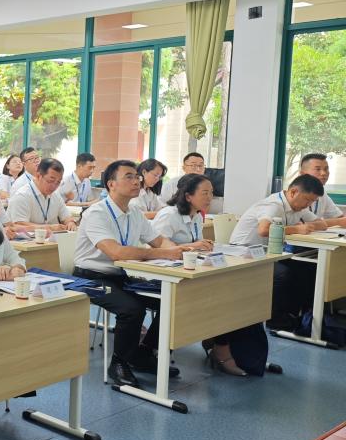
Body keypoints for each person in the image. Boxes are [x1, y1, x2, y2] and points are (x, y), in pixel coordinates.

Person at [73, 159, 187, 387]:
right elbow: (115, 252)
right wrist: (163, 254)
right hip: (90, 277)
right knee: (132, 309)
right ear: (111, 184)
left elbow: (158, 240)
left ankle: (141, 353)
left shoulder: (134, 212)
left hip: (122, 276)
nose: (136, 181)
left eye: (137, 177)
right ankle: (119, 363)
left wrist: (176, 251)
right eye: (129, 177)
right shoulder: (96, 213)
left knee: (171, 300)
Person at [151, 174, 252, 376]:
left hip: (187, 272)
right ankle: (154, 349)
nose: (209, 198)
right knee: (198, 296)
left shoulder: (196, 216)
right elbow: (156, 248)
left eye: (211, 193)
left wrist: (203, 248)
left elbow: (194, 247)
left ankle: (218, 344)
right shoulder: (168, 215)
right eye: (204, 193)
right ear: (188, 196)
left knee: (229, 293)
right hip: (160, 273)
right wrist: (192, 246)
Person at [229, 174, 327, 331]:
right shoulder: (273, 205)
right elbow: (263, 230)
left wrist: (313, 225)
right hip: (244, 252)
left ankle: (295, 316)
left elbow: (320, 224)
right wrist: (297, 229)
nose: (308, 205)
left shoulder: (297, 207)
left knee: (308, 268)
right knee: (284, 273)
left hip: (266, 254)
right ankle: (275, 319)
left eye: (312, 202)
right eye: (307, 200)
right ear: (293, 192)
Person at [6, 158, 78, 232]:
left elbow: (66, 217)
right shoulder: (22, 195)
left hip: (52, 238)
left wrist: (70, 223)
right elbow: (18, 225)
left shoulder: (55, 195)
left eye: (58, 182)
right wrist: (49, 228)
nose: (54, 186)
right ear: (38, 176)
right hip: (26, 239)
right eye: (50, 181)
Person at [298, 153, 346, 226]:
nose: (323, 173)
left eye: (326, 169)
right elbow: (301, 225)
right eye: (318, 169)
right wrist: (339, 222)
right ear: (303, 174)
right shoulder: (296, 193)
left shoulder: (322, 193)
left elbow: (340, 217)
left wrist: (340, 221)